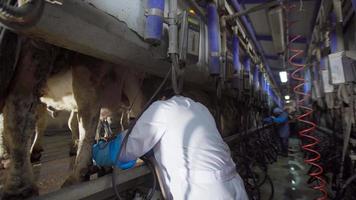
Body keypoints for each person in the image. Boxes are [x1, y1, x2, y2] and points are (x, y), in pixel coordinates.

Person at [93, 89, 248, 200]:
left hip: (205, 192)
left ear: (162, 97)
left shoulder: (162, 108)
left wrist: (97, 152)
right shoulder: (201, 109)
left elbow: (124, 149)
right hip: (236, 186)